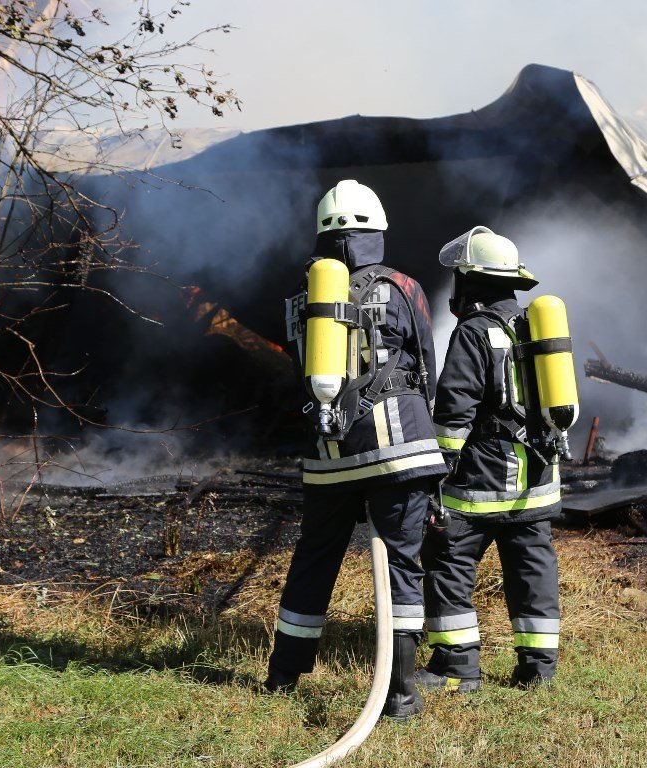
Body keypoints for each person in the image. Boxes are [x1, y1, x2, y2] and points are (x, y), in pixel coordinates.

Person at [266, 180, 447, 720]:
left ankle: (282, 675)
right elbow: (425, 365)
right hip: (398, 449)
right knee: (401, 565)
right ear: (378, 231)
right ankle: (400, 693)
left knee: (314, 559)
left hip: (329, 453)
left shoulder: (303, 299)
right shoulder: (404, 287)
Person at [418, 226, 564, 691]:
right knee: (531, 567)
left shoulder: (473, 333)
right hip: (536, 478)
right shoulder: (534, 330)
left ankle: (456, 667)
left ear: (471, 282)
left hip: (481, 480)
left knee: (449, 560)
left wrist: (436, 471)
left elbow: (455, 409)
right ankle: (537, 670)